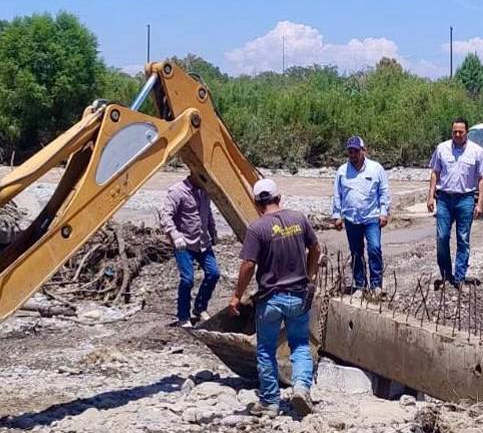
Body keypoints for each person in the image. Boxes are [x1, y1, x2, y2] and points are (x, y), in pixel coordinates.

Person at [228, 179, 321, 417]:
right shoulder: (298, 219)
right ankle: (301, 387)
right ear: (279, 198)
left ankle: (270, 401)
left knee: (266, 349)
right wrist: (309, 276)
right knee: (300, 345)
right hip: (298, 296)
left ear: (257, 203)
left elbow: (248, 265)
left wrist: (237, 295)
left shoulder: (257, 228)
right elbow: (316, 249)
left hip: (270, 299)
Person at [427, 118, 483, 289]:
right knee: (442, 237)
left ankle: (459, 277)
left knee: (463, 239)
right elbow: (435, 173)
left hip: (466, 199)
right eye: (455, 132)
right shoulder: (442, 149)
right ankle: (446, 275)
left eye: (461, 132)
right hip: (445, 199)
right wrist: (430, 196)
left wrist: (480, 202)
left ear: (467, 132)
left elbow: (482, 178)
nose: (458, 135)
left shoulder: (477, 151)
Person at [331, 135, 391, 292]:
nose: (353, 154)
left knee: (374, 249)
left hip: (371, 217)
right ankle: (360, 285)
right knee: (356, 252)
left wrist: (384, 212)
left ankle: (376, 285)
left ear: (363, 150)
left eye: (356, 151)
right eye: (350, 151)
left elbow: (384, 191)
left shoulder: (376, 168)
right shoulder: (342, 171)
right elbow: (338, 194)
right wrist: (337, 215)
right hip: (351, 219)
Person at [161, 175, 220, 327]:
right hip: (184, 244)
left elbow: (208, 214)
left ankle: (200, 308)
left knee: (213, 273)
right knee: (187, 280)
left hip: (203, 243)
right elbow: (166, 216)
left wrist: (213, 233)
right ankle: (183, 316)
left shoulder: (205, 191)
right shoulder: (178, 191)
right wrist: (175, 236)